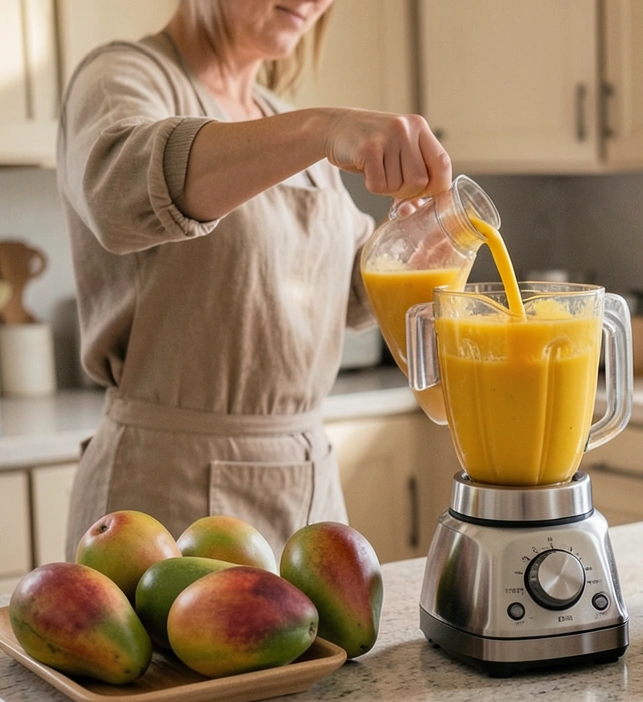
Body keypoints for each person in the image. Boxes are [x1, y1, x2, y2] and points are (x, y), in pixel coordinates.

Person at [57, 0, 451, 556]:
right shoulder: (122, 77)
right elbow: (116, 190)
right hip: (166, 495)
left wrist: (416, 242)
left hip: (308, 487)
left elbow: (348, 291)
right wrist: (323, 126)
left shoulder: (283, 121)